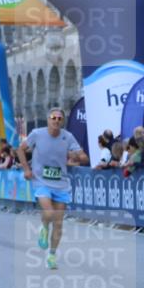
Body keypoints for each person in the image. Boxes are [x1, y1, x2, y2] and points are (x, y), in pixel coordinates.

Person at [17, 107, 89, 269]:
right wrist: (26, 169)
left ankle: (52, 255)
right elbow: (20, 150)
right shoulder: (37, 133)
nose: (56, 121)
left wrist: (76, 155)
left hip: (61, 184)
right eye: (53, 118)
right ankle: (43, 227)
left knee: (58, 223)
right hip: (41, 181)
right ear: (48, 119)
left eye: (59, 119)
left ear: (62, 121)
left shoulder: (67, 137)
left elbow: (84, 157)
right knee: (49, 213)